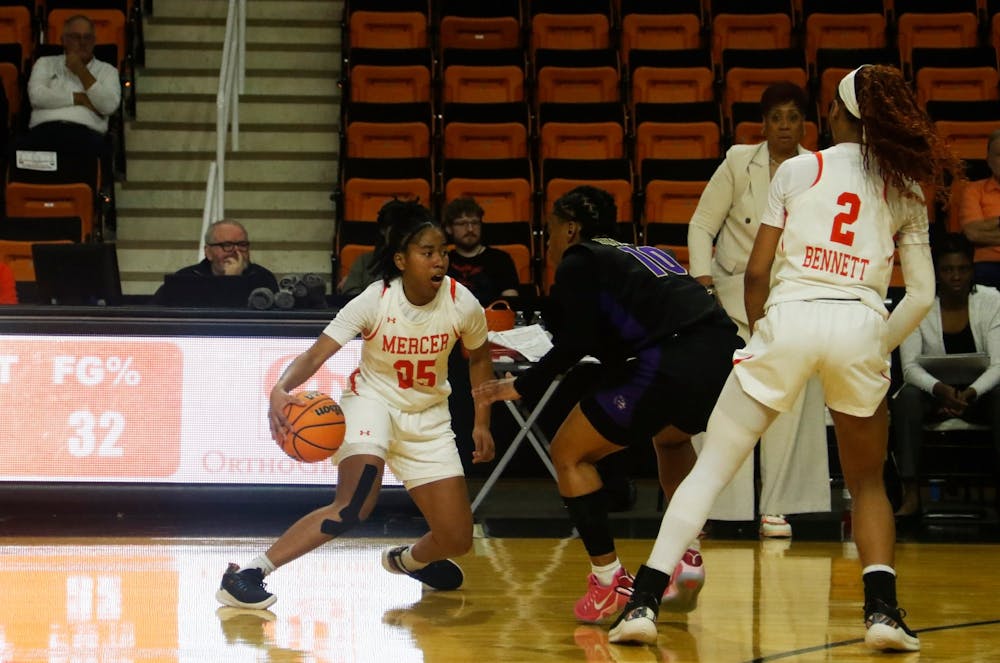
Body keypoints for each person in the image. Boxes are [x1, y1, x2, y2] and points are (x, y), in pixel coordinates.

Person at [609, 65, 963, 652]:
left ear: (839, 114)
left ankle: (642, 602)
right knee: (867, 483)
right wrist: (875, 344)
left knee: (711, 467)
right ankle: (882, 614)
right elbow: (921, 295)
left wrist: (756, 334)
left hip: (790, 318)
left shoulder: (801, 168)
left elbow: (755, 269)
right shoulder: (904, 186)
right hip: (860, 324)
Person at [473, 185, 744, 624]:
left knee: (568, 454)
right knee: (673, 440)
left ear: (572, 228)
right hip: (721, 352)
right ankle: (686, 555)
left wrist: (527, 385)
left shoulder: (582, 259)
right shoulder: (644, 253)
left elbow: (577, 341)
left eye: (554, 228)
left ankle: (607, 582)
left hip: (668, 358)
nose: (550, 238)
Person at [215, 199, 496, 609]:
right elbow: (316, 354)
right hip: (372, 405)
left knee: (457, 539)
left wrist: (482, 422)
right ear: (401, 260)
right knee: (353, 506)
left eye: (443, 253)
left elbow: (481, 358)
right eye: (428, 253)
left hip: (429, 418)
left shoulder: (462, 302)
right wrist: (280, 388)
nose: (439, 262)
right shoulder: (375, 299)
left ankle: (408, 561)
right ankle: (248, 573)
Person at [688, 81, 830, 538]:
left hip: (789, 298)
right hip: (731, 298)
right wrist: (702, 282)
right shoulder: (737, 162)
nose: (784, 126)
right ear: (763, 124)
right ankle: (712, 504)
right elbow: (702, 224)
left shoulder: (816, 168)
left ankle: (779, 507)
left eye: (792, 117)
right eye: (776, 117)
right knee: (725, 401)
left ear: (804, 123)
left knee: (790, 399)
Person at [891, 233, 1000, 516]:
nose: (956, 277)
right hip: (933, 394)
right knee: (907, 399)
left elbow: (998, 365)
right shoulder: (916, 304)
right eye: (948, 270)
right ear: (936, 273)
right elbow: (910, 368)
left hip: (978, 394)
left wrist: (971, 393)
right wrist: (940, 390)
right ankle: (911, 494)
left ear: (972, 269)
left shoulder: (992, 300)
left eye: (962, 269)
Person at [24, 15, 120, 183]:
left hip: (85, 136)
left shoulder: (108, 71)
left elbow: (108, 105)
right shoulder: (45, 63)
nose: (82, 42)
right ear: (63, 40)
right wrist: (79, 98)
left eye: (87, 37)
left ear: (94, 41)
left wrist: (81, 72)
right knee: (17, 149)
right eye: (76, 37)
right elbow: (37, 97)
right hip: (43, 133)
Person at [152, 219, 279, 305]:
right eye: (227, 245)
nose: (236, 251)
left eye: (242, 244)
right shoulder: (185, 278)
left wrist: (234, 281)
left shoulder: (262, 278)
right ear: (208, 252)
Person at [443, 197, 520, 307]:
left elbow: (510, 302)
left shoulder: (501, 259)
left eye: (475, 223)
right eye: (462, 224)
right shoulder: (444, 261)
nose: (470, 229)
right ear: (449, 228)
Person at [959, 129, 1000, 288]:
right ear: (988, 160)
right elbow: (972, 233)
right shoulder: (973, 190)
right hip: (988, 266)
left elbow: (979, 230)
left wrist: (990, 226)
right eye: (999, 155)